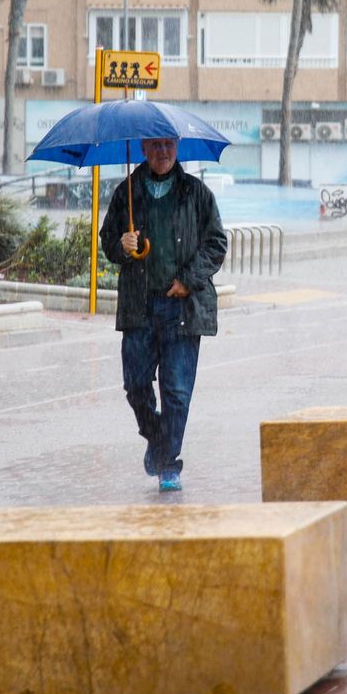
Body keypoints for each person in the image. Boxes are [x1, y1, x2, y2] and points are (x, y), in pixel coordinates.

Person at [99, 137, 228, 493]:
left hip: (181, 309)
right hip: (140, 308)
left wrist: (188, 280)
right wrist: (121, 246)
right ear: (143, 148)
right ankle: (157, 438)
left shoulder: (196, 194)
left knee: (176, 393)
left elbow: (216, 242)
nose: (162, 152)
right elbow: (107, 240)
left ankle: (168, 463)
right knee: (136, 386)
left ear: (177, 147)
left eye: (168, 145)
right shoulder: (127, 192)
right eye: (155, 145)